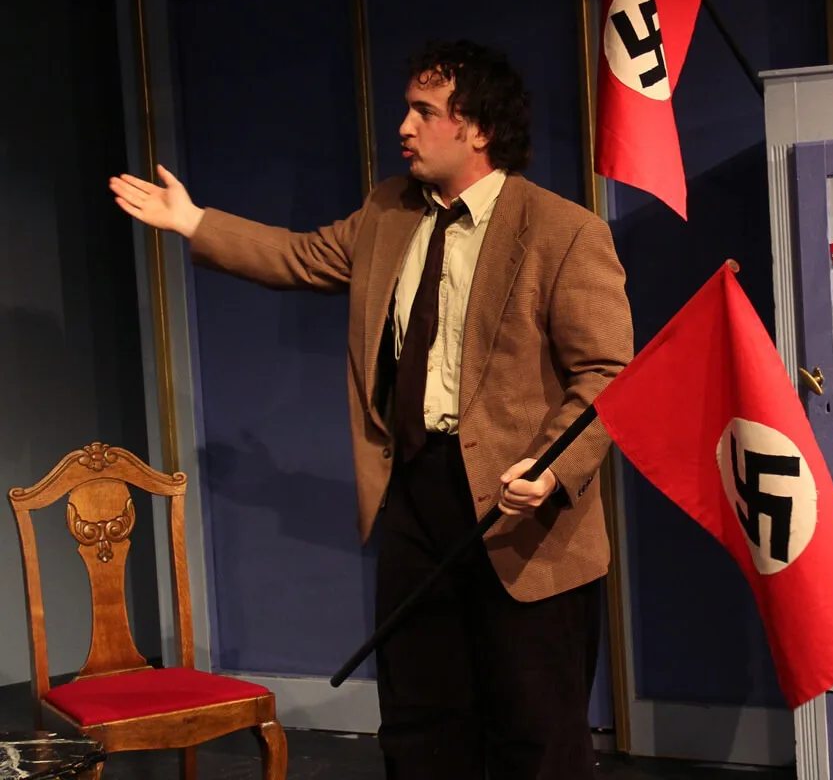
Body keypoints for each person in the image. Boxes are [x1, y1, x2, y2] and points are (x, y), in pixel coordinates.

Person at [109, 39, 633, 779]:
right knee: (421, 721)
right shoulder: (388, 211)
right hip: (417, 495)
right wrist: (195, 221)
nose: (404, 128)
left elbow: (607, 373)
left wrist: (548, 469)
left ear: (479, 129)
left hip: (523, 510)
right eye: (406, 109)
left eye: (425, 111)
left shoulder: (562, 231)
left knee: (536, 729)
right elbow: (299, 257)